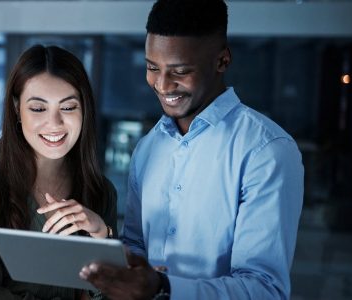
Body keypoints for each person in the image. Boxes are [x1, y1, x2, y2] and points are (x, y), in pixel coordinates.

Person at [80, 0, 304, 299]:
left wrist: (163, 288)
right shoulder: (148, 148)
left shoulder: (266, 151)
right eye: (152, 67)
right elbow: (136, 249)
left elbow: (265, 290)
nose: (162, 84)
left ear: (222, 61)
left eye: (180, 70)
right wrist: (102, 242)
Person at [0, 45, 117, 300]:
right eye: (39, 108)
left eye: (68, 107)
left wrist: (101, 237)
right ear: (17, 109)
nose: (54, 123)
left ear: (84, 111)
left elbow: (111, 295)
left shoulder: (101, 191)